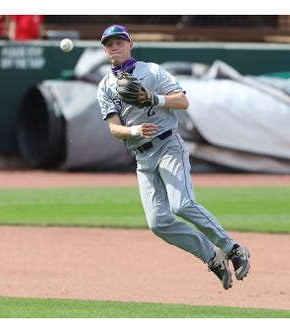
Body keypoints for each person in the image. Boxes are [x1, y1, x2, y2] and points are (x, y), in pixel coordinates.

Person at [96, 25, 250, 290]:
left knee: (182, 204)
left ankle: (233, 248)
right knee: (158, 222)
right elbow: (114, 128)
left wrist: (153, 98)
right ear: (105, 50)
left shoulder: (152, 71)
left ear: (130, 44)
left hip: (168, 145)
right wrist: (134, 130)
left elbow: (182, 101)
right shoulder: (105, 87)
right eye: (109, 44)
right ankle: (212, 257)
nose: (114, 47)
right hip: (142, 158)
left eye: (119, 42)